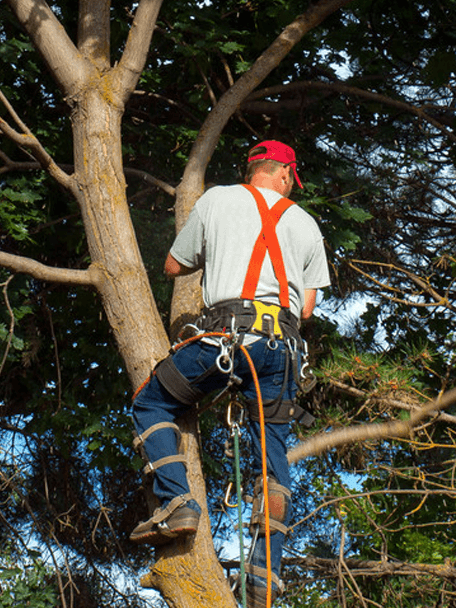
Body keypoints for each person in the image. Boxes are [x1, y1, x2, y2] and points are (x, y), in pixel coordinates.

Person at [130, 140, 330, 606]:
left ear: (253, 168)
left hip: (224, 339)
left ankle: (177, 504)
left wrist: (221, 253)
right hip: (280, 352)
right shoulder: (306, 223)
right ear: (285, 174)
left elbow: (173, 265)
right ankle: (263, 577)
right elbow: (306, 308)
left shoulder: (216, 199)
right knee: (271, 463)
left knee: (152, 401)